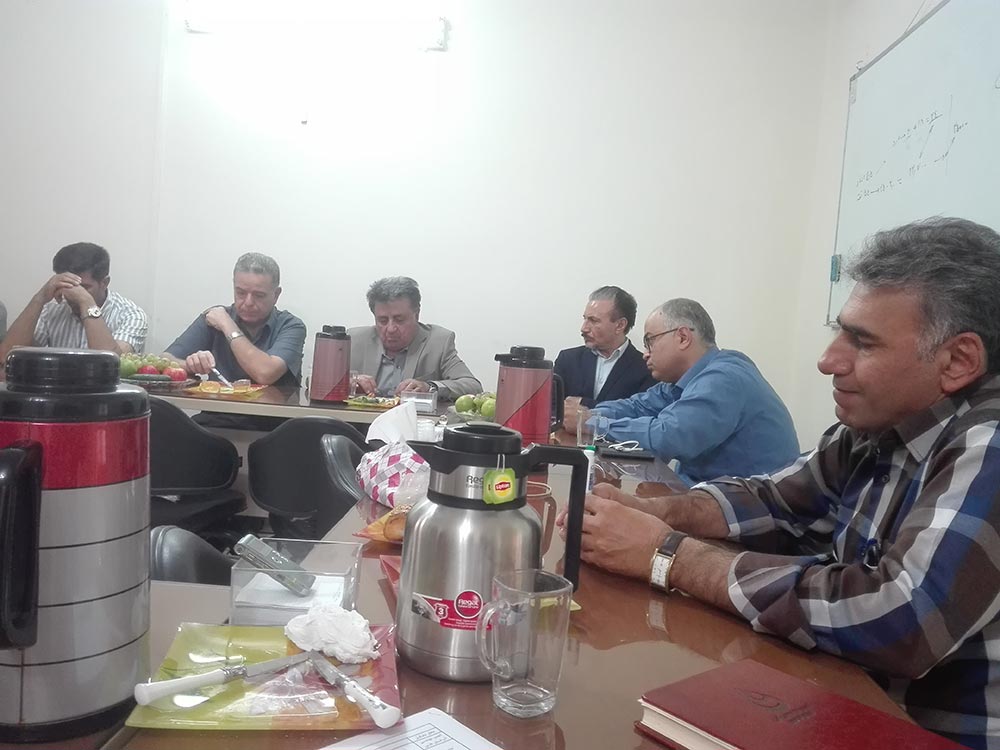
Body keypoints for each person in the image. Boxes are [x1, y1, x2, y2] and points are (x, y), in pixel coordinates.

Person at [564, 217, 1000, 748]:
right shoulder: (875, 426)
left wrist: (668, 555)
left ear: (958, 361)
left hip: (926, 731)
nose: (827, 360)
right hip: (845, 693)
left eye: (862, 342)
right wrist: (661, 512)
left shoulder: (989, 444)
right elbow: (775, 498)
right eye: (839, 331)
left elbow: (901, 616)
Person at [570, 298, 799, 484]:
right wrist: (587, 414)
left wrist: (590, 424)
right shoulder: (684, 380)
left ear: (682, 337)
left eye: (650, 341)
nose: (645, 353)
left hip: (753, 514)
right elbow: (638, 406)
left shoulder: (724, 378)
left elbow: (665, 437)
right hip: (707, 495)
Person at [164, 253, 305, 387]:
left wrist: (227, 325)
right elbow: (164, 360)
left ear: (276, 295)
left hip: (271, 405)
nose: (248, 302)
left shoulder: (291, 326)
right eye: (241, 293)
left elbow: (265, 373)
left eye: (259, 295)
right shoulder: (214, 317)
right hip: (218, 404)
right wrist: (191, 365)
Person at [0, 242, 147, 358]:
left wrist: (86, 302)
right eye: (67, 285)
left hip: (103, 388)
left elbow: (110, 364)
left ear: (104, 283)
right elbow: (7, 355)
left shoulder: (131, 315)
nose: (73, 294)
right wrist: (40, 298)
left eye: (84, 287)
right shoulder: (51, 310)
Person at [350, 276, 481, 400]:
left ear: (416, 314)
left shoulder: (438, 342)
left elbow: (473, 386)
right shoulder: (354, 340)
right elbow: (335, 381)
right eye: (383, 321)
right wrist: (349, 382)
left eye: (399, 320)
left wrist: (429, 387)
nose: (390, 329)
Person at [554, 286, 656, 410]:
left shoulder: (646, 368)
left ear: (620, 325)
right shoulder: (568, 360)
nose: (584, 328)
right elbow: (550, 406)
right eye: (585, 318)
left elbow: (642, 413)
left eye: (593, 320)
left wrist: (585, 404)